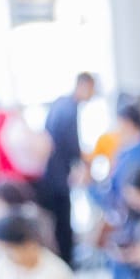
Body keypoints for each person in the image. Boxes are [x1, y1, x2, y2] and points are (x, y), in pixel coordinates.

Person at [38, 72, 97, 264]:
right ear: (84, 85)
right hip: (57, 179)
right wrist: (82, 165)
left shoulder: (61, 105)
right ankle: (67, 264)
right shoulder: (68, 109)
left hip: (51, 176)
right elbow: (70, 145)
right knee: (63, 225)